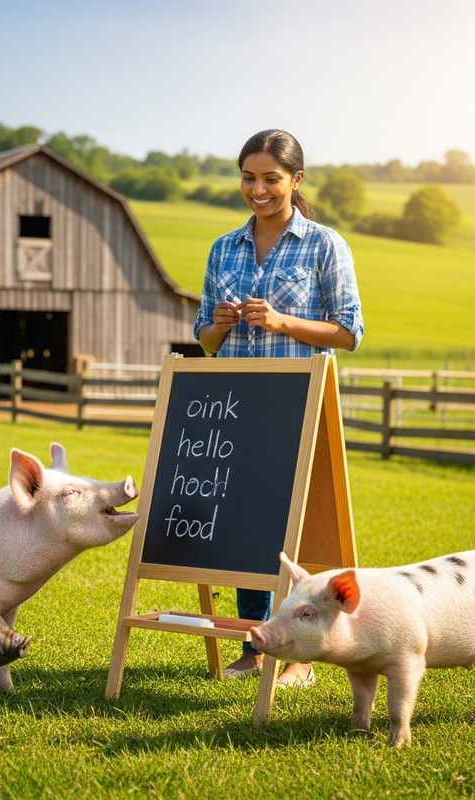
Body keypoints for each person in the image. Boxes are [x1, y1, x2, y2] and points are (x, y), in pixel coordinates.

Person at [193, 129, 364, 688]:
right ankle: (252, 648)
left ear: (296, 180)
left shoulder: (324, 244)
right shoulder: (223, 248)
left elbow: (349, 332)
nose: (258, 188)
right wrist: (215, 326)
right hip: (236, 406)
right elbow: (205, 341)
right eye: (248, 177)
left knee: (288, 532)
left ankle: (296, 657)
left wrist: (282, 321)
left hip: (298, 404)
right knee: (245, 527)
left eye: (270, 178)